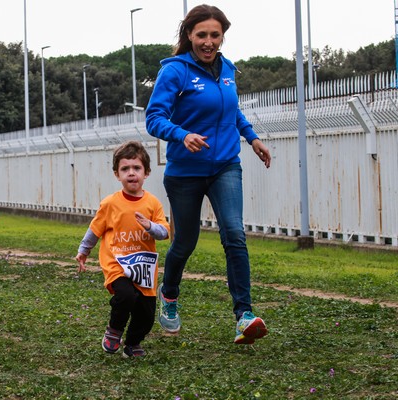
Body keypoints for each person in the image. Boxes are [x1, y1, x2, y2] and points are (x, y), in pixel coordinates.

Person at [145, 5, 272, 345]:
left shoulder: (228, 69)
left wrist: (253, 138)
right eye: (202, 34)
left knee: (234, 233)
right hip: (185, 172)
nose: (208, 41)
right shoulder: (175, 72)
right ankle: (168, 295)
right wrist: (181, 134)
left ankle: (243, 315)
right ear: (189, 35)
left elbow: (232, 111)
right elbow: (153, 118)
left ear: (222, 37)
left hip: (225, 165)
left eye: (215, 35)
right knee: (185, 242)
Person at [75, 141, 170, 358]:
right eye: (125, 169)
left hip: (143, 268)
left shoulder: (153, 203)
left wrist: (150, 226)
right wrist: (84, 250)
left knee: (146, 312)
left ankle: (133, 343)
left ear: (146, 172)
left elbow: (164, 232)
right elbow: (94, 229)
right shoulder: (110, 203)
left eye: (136, 168)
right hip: (117, 263)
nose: (131, 173)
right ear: (117, 174)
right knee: (126, 295)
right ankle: (114, 330)